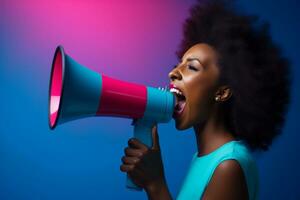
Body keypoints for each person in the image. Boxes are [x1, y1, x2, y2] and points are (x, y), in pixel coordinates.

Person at [120, 0, 291, 199]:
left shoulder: (228, 166)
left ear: (222, 92)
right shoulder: (205, 159)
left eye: (192, 67)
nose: (173, 73)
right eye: (178, 64)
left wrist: (155, 184)